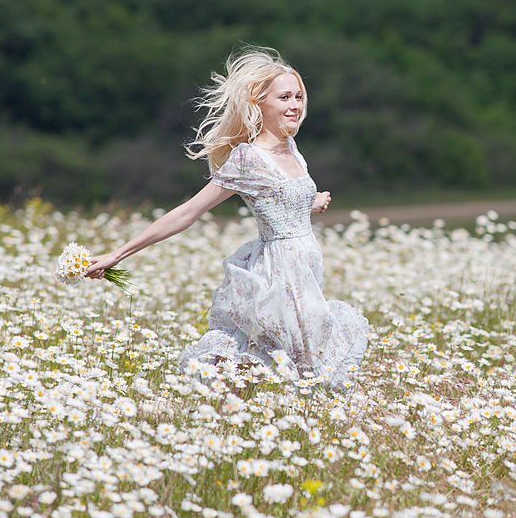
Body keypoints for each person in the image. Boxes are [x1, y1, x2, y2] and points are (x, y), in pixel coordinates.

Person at [84, 45, 370, 393]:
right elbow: (187, 212)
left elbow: (279, 201)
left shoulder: (291, 148)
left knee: (305, 360)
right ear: (259, 103)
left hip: (309, 266)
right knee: (299, 362)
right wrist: (117, 254)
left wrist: (310, 204)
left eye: (298, 96)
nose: (295, 105)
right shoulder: (248, 158)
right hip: (281, 271)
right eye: (284, 97)